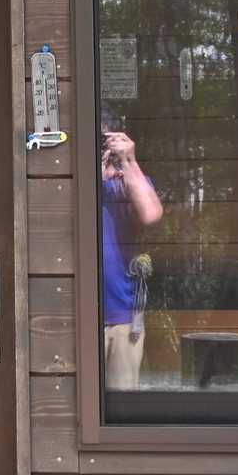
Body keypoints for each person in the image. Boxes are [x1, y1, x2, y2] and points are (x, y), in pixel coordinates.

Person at [100, 128, 162, 390]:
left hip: (122, 318)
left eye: (109, 140)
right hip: (75, 315)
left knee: (121, 403)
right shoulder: (76, 183)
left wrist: (128, 161)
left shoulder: (129, 182)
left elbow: (150, 214)